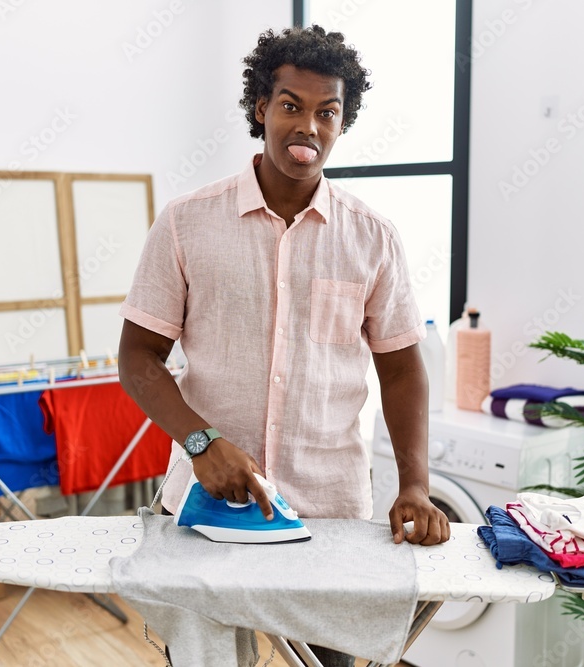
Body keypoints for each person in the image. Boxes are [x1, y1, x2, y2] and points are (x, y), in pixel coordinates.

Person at [118, 24, 450, 667]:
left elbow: (403, 372)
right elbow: (138, 359)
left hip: (331, 509)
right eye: (291, 105)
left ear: (343, 122)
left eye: (327, 112)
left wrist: (415, 484)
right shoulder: (187, 223)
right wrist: (200, 441)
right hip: (206, 506)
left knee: (332, 659)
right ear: (259, 110)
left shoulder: (372, 237)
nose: (309, 127)